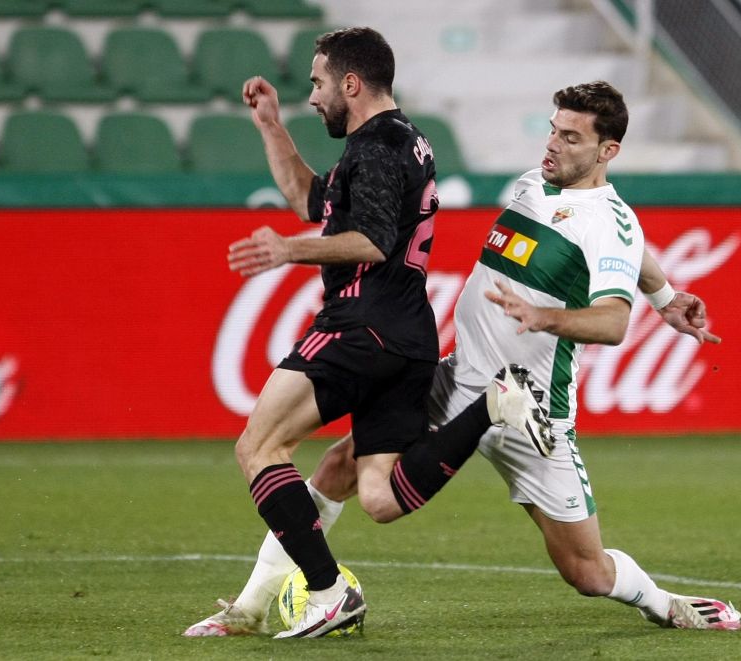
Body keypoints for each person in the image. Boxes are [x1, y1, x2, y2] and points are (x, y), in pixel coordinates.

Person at [185, 80, 740, 638]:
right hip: (454, 381)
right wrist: (666, 297)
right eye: (553, 129)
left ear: (607, 151)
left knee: (587, 572)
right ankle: (252, 606)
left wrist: (543, 315)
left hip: (533, 412)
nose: (553, 145)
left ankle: (663, 602)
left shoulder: (607, 219)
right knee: (338, 466)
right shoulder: (535, 185)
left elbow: (614, 321)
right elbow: (633, 252)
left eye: (571, 138)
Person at [220, 27, 550, 639]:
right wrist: (270, 126)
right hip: (408, 339)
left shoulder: (373, 148)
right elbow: (308, 198)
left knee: (259, 448)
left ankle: (327, 591)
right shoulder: (404, 142)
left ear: (351, 83)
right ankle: (492, 407)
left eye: (318, 83)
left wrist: (288, 251)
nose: (312, 96)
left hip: (359, 326)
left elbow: (370, 239)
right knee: (378, 496)